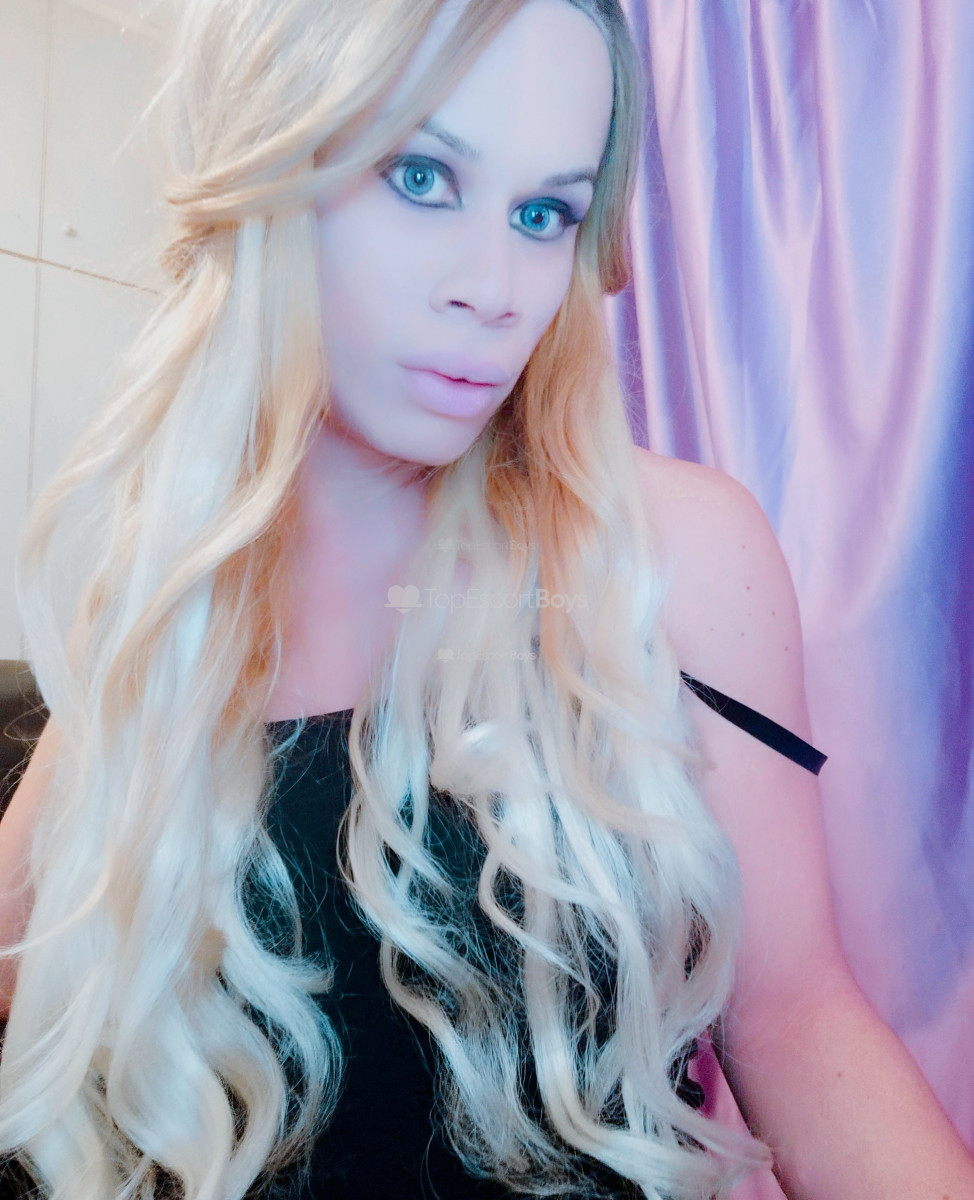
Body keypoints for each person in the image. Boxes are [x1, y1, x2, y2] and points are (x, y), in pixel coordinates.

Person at [0, 0, 972, 1197]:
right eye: (420, 177)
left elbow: (792, 1020)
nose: (498, 289)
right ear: (270, 163)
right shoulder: (169, 583)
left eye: (542, 213)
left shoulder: (668, 555)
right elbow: (25, 948)